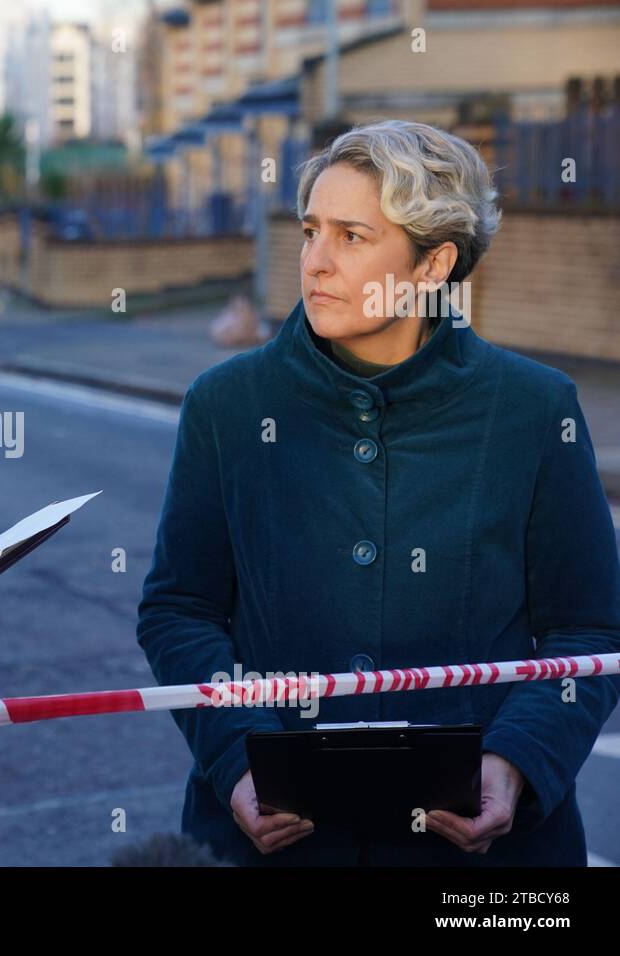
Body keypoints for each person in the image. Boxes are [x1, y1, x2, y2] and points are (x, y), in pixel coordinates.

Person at [137, 119, 620, 866]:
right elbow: (180, 610)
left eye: (353, 236)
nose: (316, 262)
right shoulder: (226, 406)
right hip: (275, 842)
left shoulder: (533, 409)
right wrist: (235, 763)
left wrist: (517, 760)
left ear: (434, 266)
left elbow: (589, 632)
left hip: (480, 863)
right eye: (309, 231)